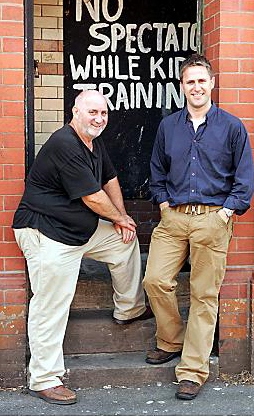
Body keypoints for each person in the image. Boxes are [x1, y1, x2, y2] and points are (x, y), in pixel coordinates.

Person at [12, 89, 153, 405]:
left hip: (77, 231)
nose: (98, 119)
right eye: (92, 112)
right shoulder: (65, 144)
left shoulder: (93, 142)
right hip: (46, 232)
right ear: (74, 112)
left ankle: (129, 309)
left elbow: (110, 179)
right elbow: (92, 197)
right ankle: (44, 378)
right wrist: (117, 215)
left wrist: (122, 219)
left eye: (103, 113)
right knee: (51, 303)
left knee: (123, 241)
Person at [143, 54, 254, 400]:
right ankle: (172, 339)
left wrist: (225, 214)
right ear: (182, 86)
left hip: (213, 219)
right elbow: (157, 170)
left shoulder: (231, 127)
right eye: (189, 81)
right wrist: (162, 203)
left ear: (211, 84)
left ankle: (192, 369)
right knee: (155, 280)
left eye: (201, 80)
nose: (196, 87)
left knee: (204, 294)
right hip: (174, 216)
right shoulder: (169, 126)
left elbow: (244, 178)